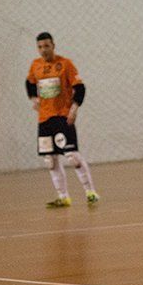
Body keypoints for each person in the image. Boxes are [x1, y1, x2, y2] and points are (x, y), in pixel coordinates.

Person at [26, 32, 99, 208]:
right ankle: (63, 196)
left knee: (72, 156)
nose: (43, 50)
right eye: (40, 47)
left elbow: (80, 87)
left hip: (62, 117)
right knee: (50, 161)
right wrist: (32, 98)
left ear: (53, 45)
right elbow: (29, 82)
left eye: (46, 46)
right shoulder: (35, 65)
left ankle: (91, 192)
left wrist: (74, 109)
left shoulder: (65, 64)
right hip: (44, 119)